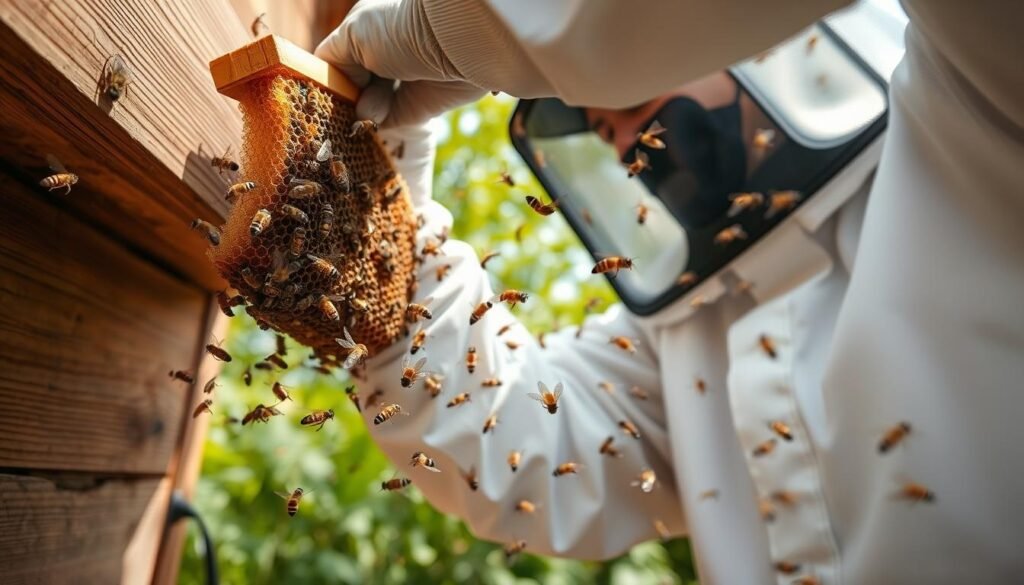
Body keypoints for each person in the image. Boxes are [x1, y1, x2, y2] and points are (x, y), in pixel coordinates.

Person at [316, 1, 1024, 583]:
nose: (615, 131)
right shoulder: (681, 329)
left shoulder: (981, 114)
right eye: (594, 122)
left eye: (622, 94)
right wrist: (383, 173)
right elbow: (511, 444)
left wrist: (474, 21)